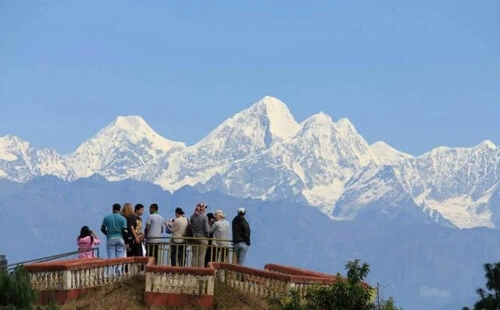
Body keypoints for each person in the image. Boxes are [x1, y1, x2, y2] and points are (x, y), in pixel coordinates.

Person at [190, 202, 209, 267]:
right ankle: (200, 270)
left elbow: (191, 227)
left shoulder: (192, 217)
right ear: (202, 208)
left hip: (194, 237)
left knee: (194, 255)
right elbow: (206, 229)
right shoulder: (204, 217)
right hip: (202, 238)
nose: (205, 209)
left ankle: (193, 269)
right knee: (201, 255)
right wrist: (208, 236)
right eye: (204, 208)